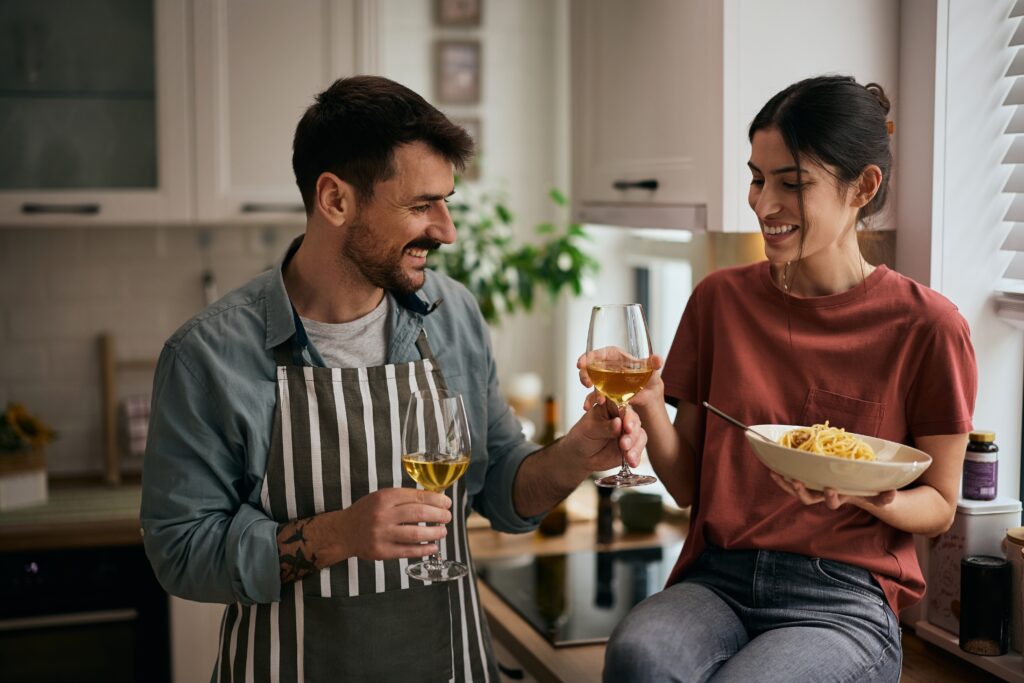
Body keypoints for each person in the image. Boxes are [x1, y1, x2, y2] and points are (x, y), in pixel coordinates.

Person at [140, 75, 647, 683]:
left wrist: (574, 457)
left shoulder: (453, 313)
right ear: (335, 200)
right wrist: (341, 533)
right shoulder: (209, 355)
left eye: (446, 202)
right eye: (419, 205)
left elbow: (501, 489)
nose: (446, 230)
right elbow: (181, 552)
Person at [583, 75, 977, 682]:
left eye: (792, 183)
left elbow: (942, 506)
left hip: (842, 599)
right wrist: (652, 404)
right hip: (718, 577)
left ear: (862, 187)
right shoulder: (720, 300)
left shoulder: (927, 326)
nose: (764, 203)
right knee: (639, 655)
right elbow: (687, 483)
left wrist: (873, 493)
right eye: (757, 178)